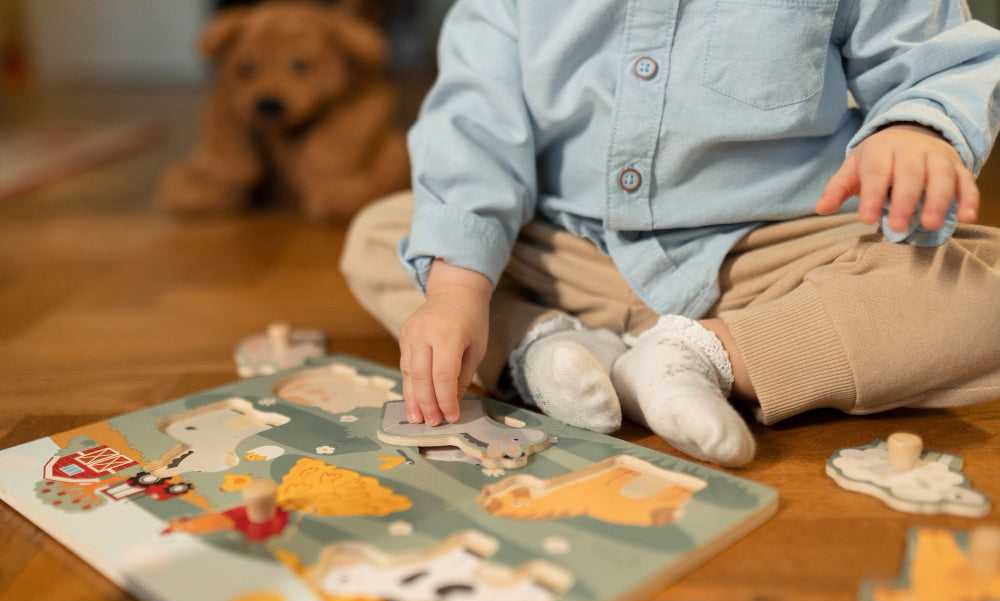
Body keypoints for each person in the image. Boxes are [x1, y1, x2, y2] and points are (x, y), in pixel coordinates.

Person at [341, 0, 1000, 467]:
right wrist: (457, 293)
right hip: (571, 252)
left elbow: (936, 62)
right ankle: (548, 349)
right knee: (384, 236)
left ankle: (703, 354)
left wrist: (917, 130)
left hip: (770, 257)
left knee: (981, 290)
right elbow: (473, 127)